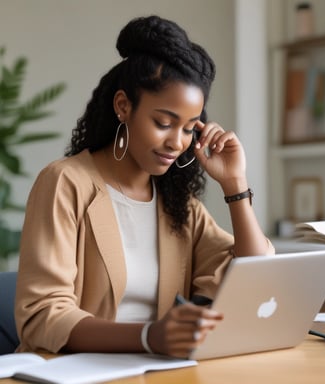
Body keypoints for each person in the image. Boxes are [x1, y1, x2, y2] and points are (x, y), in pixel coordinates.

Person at [15, 15, 274, 358]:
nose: (176, 142)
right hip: (72, 371)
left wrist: (234, 184)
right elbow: (42, 315)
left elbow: (253, 272)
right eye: (163, 123)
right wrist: (149, 337)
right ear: (123, 106)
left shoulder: (177, 204)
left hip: (155, 371)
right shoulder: (65, 183)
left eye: (189, 129)